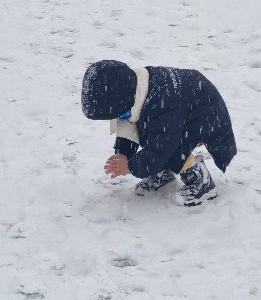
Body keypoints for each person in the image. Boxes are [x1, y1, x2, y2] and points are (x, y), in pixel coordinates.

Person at [81, 59, 236, 208]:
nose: (120, 116)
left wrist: (130, 166)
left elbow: (161, 147)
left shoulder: (163, 103)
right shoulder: (135, 90)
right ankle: (163, 173)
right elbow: (128, 123)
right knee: (148, 129)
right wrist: (123, 153)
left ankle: (200, 181)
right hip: (180, 112)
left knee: (172, 145)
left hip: (204, 116)